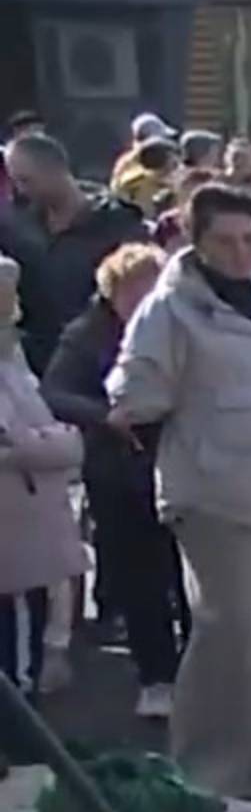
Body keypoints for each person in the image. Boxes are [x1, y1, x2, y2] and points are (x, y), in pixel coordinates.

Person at [105, 185, 251, 802]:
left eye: (250, 238)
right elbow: (131, 393)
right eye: (225, 241)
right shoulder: (170, 308)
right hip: (210, 492)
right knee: (226, 629)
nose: (241, 252)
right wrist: (144, 402)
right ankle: (208, 771)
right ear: (197, 242)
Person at [40, 241, 180, 714]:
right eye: (137, 291)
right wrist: (105, 417)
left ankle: (194, 675)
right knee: (140, 579)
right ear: (114, 292)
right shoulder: (86, 335)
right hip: (118, 473)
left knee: (186, 577)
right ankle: (156, 676)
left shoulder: (176, 326)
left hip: (178, 465)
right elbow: (57, 392)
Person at [0, 260, 79, 728]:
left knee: (21, 621)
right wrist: (55, 444)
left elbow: (37, 424)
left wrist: (53, 441)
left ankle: (21, 730)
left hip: (27, 513)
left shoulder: (13, 355)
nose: (16, 304)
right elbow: (15, 438)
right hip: (13, 514)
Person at [5, 130, 150, 372]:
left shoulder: (117, 224)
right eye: (16, 181)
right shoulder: (18, 228)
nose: (20, 190)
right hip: (35, 363)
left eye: (26, 180)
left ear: (55, 170)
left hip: (98, 361)